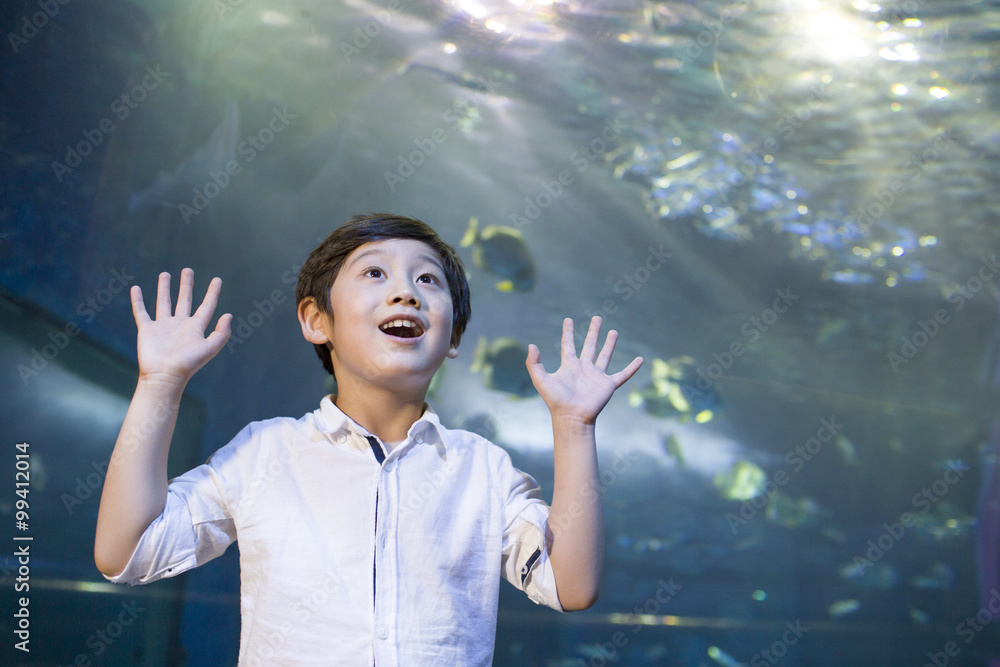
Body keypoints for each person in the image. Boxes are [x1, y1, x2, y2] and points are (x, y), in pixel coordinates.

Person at [94, 213, 643, 665]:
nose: (406, 291)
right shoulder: (265, 452)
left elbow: (571, 585)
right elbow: (128, 552)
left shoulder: (484, 468)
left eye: (428, 280)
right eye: (375, 274)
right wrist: (160, 385)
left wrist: (574, 428)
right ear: (316, 320)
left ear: (454, 336)